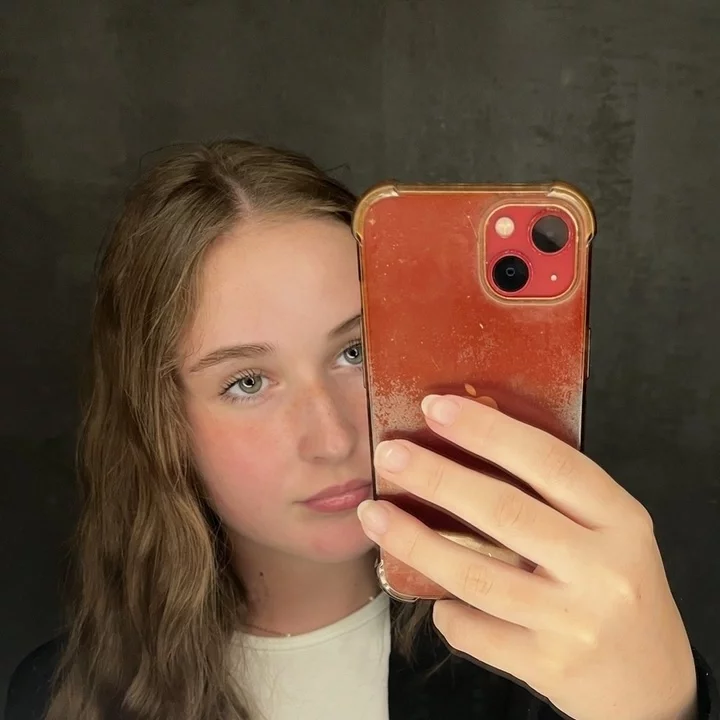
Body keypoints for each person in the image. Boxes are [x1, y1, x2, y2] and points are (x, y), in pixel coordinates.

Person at [4, 139, 718, 720]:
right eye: (247, 382)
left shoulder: (544, 664)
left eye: (354, 352)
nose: (334, 438)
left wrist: (662, 710)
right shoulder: (57, 698)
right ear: (161, 423)